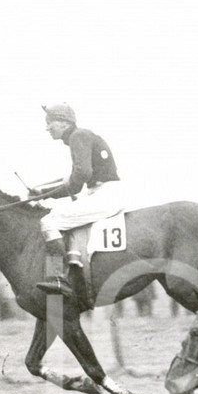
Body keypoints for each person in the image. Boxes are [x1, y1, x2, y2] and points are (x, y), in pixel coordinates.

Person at [28, 103, 121, 299]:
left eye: (49, 123)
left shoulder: (79, 136)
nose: (47, 128)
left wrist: (45, 193)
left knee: (49, 222)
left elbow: (82, 174)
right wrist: (44, 192)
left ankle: (59, 279)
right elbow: (76, 182)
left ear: (63, 123)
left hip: (106, 194)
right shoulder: (79, 138)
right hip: (102, 192)